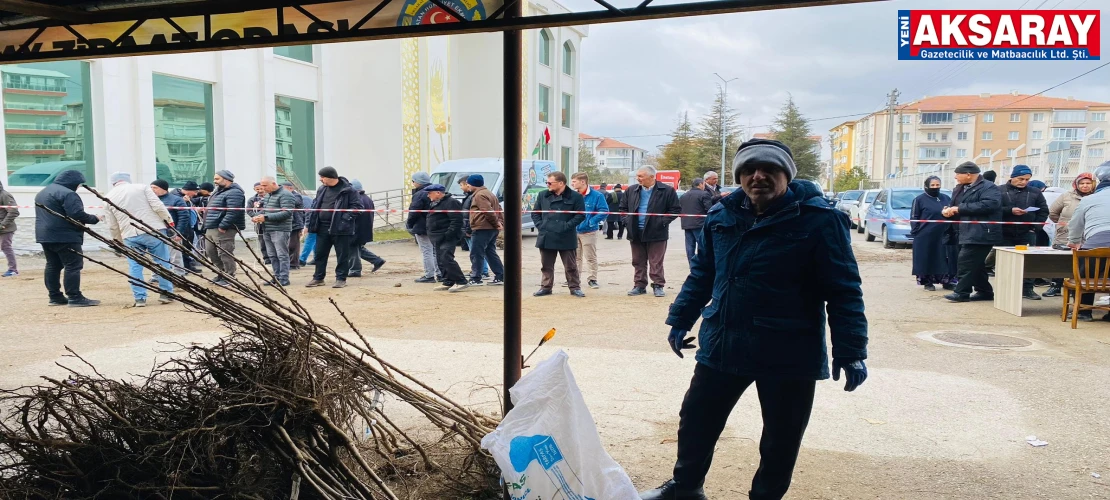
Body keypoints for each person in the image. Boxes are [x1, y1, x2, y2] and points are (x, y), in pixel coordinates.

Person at [642, 138, 868, 500]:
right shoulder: (721, 213)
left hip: (789, 348)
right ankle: (686, 487)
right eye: (749, 170)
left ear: (786, 176)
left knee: (782, 434)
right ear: (739, 176)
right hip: (724, 339)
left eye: (769, 170)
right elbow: (704, 273)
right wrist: (681, 317)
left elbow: (843, 289)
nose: (758, 176)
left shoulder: (821, 220)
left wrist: (851, 349)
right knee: (697, 418)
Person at [103, 172, 177, 307]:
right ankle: (166, 293)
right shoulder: (142, 188)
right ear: (128, 180)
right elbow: (158, 206)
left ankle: (140, 298)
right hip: (153, 229)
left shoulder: (108, 197)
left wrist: (117, 242)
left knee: (135, 267)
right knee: (162, 262)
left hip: (129, 234)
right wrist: (169, 222)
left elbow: (113, 225)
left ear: (113, 183)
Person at [34, 169, 101, 307]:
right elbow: (76, 214)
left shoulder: (43, 192)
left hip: (44, 235)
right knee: (73, 265)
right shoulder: (68, 194)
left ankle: (55, 296)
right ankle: (74, 296)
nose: (79, 187)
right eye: (79, 184)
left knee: (53, 265)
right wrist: (95, 218)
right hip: (65, 235)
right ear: (73, 182)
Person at [942, 162, 1003, 303]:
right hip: (963, 231)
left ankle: (961, 293)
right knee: (976, 264)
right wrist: (948, 211)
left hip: (981, 232)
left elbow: (989, 205)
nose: (956, 177)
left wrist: (959, 209)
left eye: (958, 174)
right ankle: (985, 291)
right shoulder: (960, 188)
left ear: (968, 174)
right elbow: (956, 206)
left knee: (966, 262)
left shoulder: (989, 187)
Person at [619, 165, 681, 297]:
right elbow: (622, 208)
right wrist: (627, 222)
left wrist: (661, 222)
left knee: (656, 261)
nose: (638, 179)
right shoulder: (631, 190)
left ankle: (658, 285)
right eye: (637, 176)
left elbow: (675, 210)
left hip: (657, 233)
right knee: (638, 261)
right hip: (635, 232)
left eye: (641, 176)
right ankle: (639, 285)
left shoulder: (667, 191)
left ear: (652, 177)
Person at [998, 165, 1049, 301]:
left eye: (1027, 179)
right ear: (1012, 177)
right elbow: (993, 209)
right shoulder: (999, 191)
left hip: (1027, 233)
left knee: (1028, 262)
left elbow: (1043, 211)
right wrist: (1010, 210)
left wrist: (1034, 228)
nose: (1024, 182)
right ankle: (1006, 290)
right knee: (1005, 263)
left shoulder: (1035, 192)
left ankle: (1027, 289)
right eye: (1021, 178)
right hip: (1004, 233)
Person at [1065, 165, 1110, 321]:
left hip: (1095, 244)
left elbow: (1075, 224)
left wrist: (1074, 241)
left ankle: (1083, 312)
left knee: (1085, 275)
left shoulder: (1088, 199)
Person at [531, 171, 586, 297]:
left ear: (561, 183)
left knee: (571, 266)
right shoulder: (543, 195)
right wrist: (541, 226)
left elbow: (581, 215)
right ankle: (546, 287)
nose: (547, 185)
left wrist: (566, 226)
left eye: (550, 182)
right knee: (546, 265)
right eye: (547, 182)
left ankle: (574, 287)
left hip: (565, 235)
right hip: (546, 235)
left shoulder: (575, 196)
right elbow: (535, 213)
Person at [305, 167, 361, 288]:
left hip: (340, 228)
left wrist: (344, 219)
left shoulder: (349, 190)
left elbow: (357, 207)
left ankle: (341, 279)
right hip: (322, 228)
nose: (320, 179)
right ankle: (318, 278)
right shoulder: (322, 189)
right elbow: (315, 205)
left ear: (330, 177)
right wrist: (310, 222)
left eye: (322, 177)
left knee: (342, 255)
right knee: (320, 254)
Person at [1043, 173, 1096, 298]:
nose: (1085, 186)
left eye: (1088, 183)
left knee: (1081, 261)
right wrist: (1063, 225)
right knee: (1061, 260)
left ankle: (1076, 288)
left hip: (1088, 234)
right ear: (1076, 184)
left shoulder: (1096, 197)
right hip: (1065, 234)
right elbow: (1053, 213)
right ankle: (1055, 286)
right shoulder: (1066, 196)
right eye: (1082, 183)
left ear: (1093, 184)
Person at [910, 176, 958, 291]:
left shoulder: (946, 198)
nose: (935, 187)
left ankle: (947, 281)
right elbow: (914, 217)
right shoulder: (919, 200)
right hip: (926, 235)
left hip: (944, 234)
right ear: (926, 186)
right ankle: (927, 282)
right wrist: (917, 232)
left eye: (937, 185)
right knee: (927, 257)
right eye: (932, 185)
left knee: (945, 258)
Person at [250, 177, 296, 287]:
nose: (262, 188)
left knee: (281, 254)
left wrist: (265, 217)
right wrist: (257, 216)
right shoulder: (268, 196)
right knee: (272, 255)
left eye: (265, 186)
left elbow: (287, 213)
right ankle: (276, 277)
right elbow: (265, 210)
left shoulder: (286, 195)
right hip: (267, 228)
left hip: (280, 229)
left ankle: (284, 278)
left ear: (274, 183)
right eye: (262, 185)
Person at [203, 170, 246, 286]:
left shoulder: (235, 192)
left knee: (224, 252)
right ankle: (221, 274)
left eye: (217, 179)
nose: (214, 181)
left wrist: (223, 225)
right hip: (211, 226)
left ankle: (229, 277)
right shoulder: (218, 192)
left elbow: (233, 211)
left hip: (223, 228)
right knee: (211, 252)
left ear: (226, 179)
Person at [424, 184, 469, 292]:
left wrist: (448, 235)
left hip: (446, 236)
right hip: (437, 237)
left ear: (438, 193)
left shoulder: (451, 203)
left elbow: (456, 221)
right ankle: (448, 280)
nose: (428, 195)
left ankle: (461, 281)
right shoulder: (436, 203)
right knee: (440, 260)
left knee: (446, 258)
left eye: (430, 193)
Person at [571, 172, 609, 290]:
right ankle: (574, 279)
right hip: (573, 231)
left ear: (583, 182)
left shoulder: (597, 195)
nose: (572, 183)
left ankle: (592, 279)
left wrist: (591, 222)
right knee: (575, 257)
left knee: (590, 256)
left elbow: (604, 210)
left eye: (574, 181)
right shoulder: (571, 195)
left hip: (589, 231)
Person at [466, 174, 505, 286]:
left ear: (473, 184)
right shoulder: (489, 193)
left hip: (483, 228)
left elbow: (488, 211)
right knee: (490, 252)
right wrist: (499, 223)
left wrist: (496, 223)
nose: (467, 186)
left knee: (477, 253)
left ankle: (476, 278)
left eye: (468, 183)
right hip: (490, 228)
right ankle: (500, 276)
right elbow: (499, 209)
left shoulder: (479, 195)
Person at [151, 179, 192, 277]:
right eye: (151, 188)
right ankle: (157, 276)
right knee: (157, 256)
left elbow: (184, 217)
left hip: (172, 233)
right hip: (156, 232)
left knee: (175, 256)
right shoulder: (151, 200)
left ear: (163, 189)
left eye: (155, 188)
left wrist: (179, 233)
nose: (152, 190)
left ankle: (178, 276)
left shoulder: (176, 200)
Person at [348, 179, 386, 277]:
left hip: (356, 228)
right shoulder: (367, 198)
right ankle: (377, 260)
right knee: (358, 248)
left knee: (353, 248)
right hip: (364, 228)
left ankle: (355, 270)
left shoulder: (356, 199)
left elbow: (354, 215)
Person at [407, 171, 440, 283]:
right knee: (436, 251)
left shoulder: (419, 194)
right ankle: (440, 273)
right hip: (436, 226)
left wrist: (410, 224)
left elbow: (414, 211)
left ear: (418, 182)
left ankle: (429, 275)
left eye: (413, 181)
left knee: (427, 251)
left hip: (422, 226)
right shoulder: (436, 192)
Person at [458, 176, 489, 277]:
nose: (462, 187)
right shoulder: (469, 196)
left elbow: (476, 214)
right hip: (468, 227)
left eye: (462, 185)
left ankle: (482, 271)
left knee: (476, 252)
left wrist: (469, 228)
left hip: (472, 228)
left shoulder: (475, 196)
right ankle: (477, 270)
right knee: (474, 252)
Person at [169, 180, 202, 273]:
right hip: (179, 225)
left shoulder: (186, 197)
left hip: (189, 225)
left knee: (188, 246)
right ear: (188, 190)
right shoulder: (175, 197)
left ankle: (188, 266)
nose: (195, 194)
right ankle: (182, 268)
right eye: (195, 192)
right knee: (180, 249)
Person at [678, 178, 713, 262]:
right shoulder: (704, 194)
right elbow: (709, 209)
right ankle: (704, 265)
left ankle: (692, 266)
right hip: (700, 224)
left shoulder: (684, 195)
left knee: (690, 246)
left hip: (686, 224)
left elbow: (679, 209)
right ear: (700, 184)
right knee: (703, 246)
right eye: (704, 184)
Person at [282, 182, 306, 270]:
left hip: (296, 223)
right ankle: (289, 262)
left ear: (290, 188)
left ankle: (294, 263)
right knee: (288, 244)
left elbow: (293, 203)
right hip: (288, 223)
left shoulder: (296, 196)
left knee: (293, 244)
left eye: (283, 189)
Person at [246, 182, 270, 265]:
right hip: (258, 224)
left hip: (269, 222)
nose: (260, 191)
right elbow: (248, 210)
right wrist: (255, 217)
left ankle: (273, 257)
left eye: (261, 188)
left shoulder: (270, 197)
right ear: (254, 189)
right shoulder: (252, 200)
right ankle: (266, 258)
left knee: (271, 240)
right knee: (262, 241)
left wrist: (261, 216)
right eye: (257, 189)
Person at [0, 180, 20, 277]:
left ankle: (13, 270)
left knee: (5, 247)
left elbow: (14, 211)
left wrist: (3, 224)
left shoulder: (4, 195)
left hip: (5, 228)